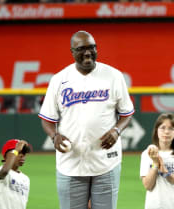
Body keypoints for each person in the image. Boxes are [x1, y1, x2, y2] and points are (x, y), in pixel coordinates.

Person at [38, 30, 134, 209]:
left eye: (92, 47)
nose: (88, 52)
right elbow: (47, 118)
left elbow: (127, 112)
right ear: (72, 52)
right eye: (82, 49)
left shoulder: (113, 76)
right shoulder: (59, 80)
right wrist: (54, 136)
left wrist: (117, 130)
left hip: (106, 161)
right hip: (71, 162)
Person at [140, 113, 174, 209]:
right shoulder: (147, 154)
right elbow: (148, 186)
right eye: (162, 128)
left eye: (171, 128)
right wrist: (155, 163)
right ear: (156, 130)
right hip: (155, 205)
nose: (166, 132)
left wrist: (167, 174)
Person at [0, 139, 31, 209]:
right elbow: (4, 172)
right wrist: (16, 150)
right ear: (6, 155)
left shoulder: (26, 179)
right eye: (19, 152)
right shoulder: (1, 170)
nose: (22, 155)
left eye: (24, 153)